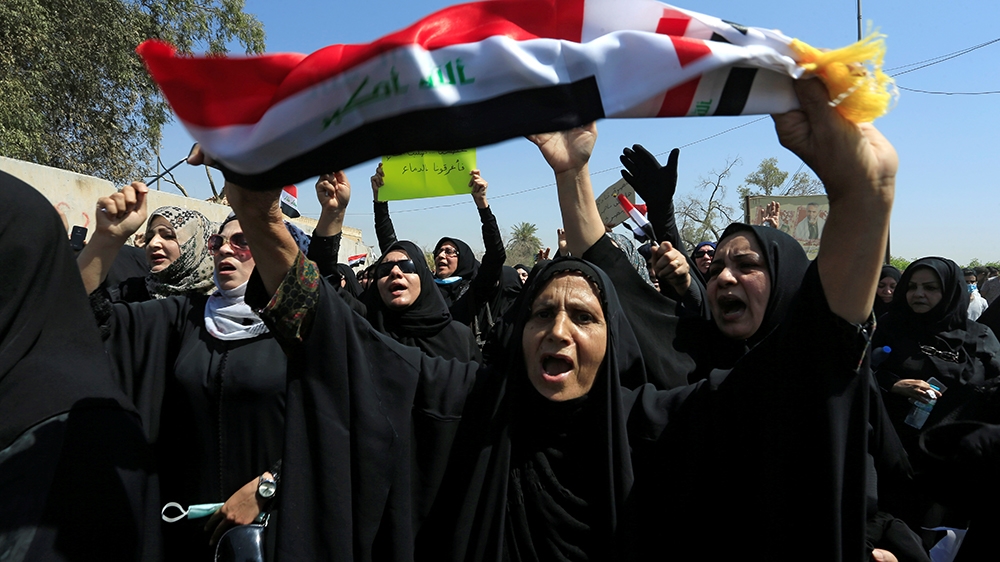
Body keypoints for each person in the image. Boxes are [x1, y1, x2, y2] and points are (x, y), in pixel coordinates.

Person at [83, 183, 288, 560]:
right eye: (218, 242)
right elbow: (89, 322)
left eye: (242, 241)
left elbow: (336, 421)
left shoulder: (299, 327)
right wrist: (106, 240)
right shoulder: (186, 315)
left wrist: (270, 486)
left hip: (274, 528)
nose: (225, 249)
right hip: (184, 530)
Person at [0, 172, 157, 561]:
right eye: (153, 234)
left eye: (169, 236)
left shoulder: (79, 435)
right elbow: (69, 311)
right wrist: (106, 240)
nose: (156, 244)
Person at [308, 171, 480, 362]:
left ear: (423, 277)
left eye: (407, 266)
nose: (395, 272)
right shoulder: (365, 326)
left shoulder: (459, 339)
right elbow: (323, 282)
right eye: (385, 270)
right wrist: (333, 213)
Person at [370, 163, 506, 341]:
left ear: (464, 260)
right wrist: (380, 201)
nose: (441, 255)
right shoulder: (424, 288)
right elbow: (392, 248)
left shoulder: (475, 290)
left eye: (450, 252)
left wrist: (482, 204)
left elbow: (495, 255)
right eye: (439, 251)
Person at [873, 258, 1000, 445]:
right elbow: (859, 373)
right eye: (911, 287)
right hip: (895, 444)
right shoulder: (890, 328)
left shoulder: (979, 335)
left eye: (930, 288)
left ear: (951, 291)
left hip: (961, 448)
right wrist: (892, 384)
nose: (918, 294)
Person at [78, 201, 215, 303]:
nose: (153, 244)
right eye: (149, 238)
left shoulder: (219, 301)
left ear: (197, 245)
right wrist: (103, 238)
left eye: (168, 236)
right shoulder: (130, 292)